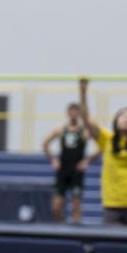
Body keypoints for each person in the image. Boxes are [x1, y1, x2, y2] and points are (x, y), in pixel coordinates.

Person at [78, 78, 127, 227]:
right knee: (113, 247)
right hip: (112, 205)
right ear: (115, 122)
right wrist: (82, 90)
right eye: (123, 116)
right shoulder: (107, 139)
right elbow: (86, 119)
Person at [41, 79, 97, 223]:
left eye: (76, 112)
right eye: (71, 112)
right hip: (63, 168)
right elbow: (45, 144)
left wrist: (87, 160)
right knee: (56, 206)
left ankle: (76, 233)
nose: (73, 114)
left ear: (78, 114)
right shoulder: (60, 130)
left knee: (76, 205)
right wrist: (53, 159)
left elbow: (102, 147)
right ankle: (62, 229)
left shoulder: (85, 132)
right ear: (67, 113)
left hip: (77, 169)